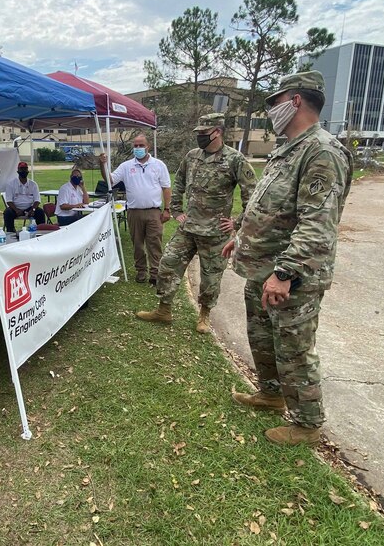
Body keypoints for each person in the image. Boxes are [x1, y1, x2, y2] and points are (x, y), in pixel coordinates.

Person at [223, 71, 353, 446]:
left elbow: (317, 224)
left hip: (291, 275)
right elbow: (269, 207)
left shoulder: (322, 151)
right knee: (263, 337)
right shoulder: (288, 148)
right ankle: (271, 393)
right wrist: (241, 238)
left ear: (295, 100)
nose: (269, 110)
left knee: (294, 347)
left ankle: (307, 424)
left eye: (273, 102)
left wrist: (285, 273)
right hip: (262, 266)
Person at [137, 113, 256, 333]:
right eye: (199, 132)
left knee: (211, 276)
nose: (200, 136)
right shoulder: (192, 156)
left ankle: (204, 316)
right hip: (188, 227)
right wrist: (176, 210)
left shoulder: (234, 159)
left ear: (217, 132)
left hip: (215, 232)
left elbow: (252, 194)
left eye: (204, 132)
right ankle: (164, 310)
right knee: (168, 264)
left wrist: (237, 222)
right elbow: (179, 181)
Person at [99, 135, 171, 284]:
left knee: (154, 243)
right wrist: (103, 166)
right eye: (135, 145)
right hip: (134, 211)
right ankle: (141, 271)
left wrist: (167, 209)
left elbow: (166, 188)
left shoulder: (158, 165)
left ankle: (155, 272)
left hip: (153, 211)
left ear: (147, 146)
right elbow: (110, 180)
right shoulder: (126, 166)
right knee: (137, 243)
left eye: (141, 145)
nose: (138, 148)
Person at [4, 162, 45, 232]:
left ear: (28, 171)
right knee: (7, 213)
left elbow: (37, 200)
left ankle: (41, 231)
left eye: (25, 169)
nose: (23, 171)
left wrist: (33, 209)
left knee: (40, 212)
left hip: (30, 208)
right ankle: (11, 231)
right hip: (15, 208)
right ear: (18, 171)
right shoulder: (11, 184)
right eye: (21, 169)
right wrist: (16, 210)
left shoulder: (33, 184)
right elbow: (9, 201)